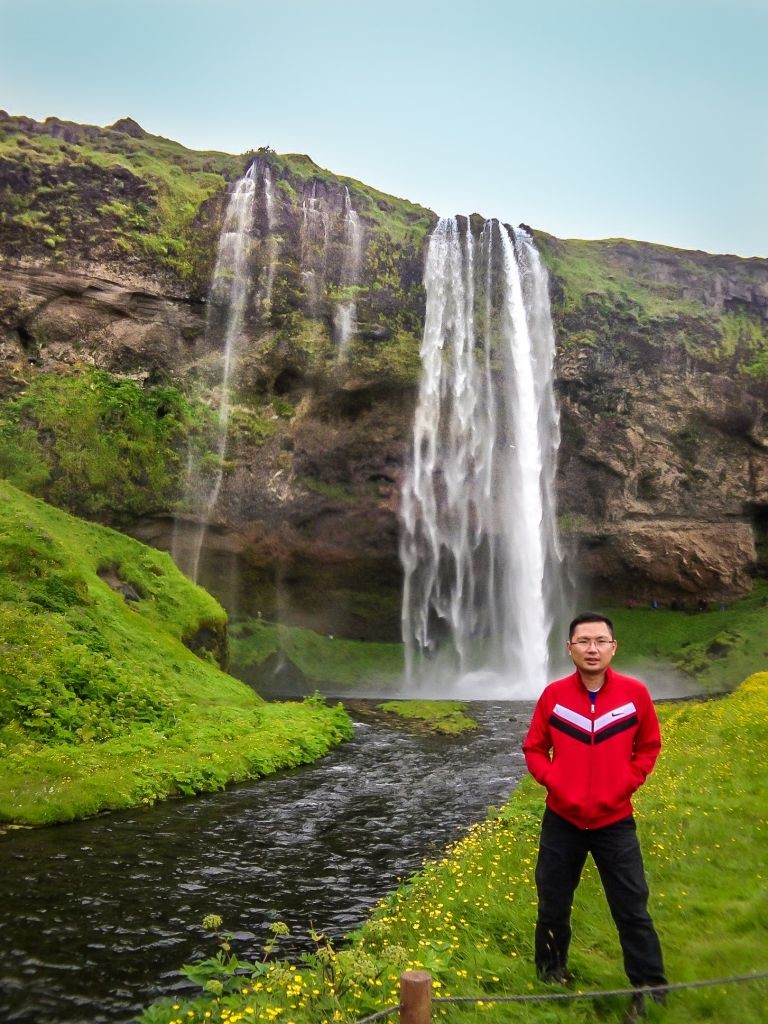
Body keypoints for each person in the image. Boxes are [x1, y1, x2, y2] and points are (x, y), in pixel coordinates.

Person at [523, 612, 667, 1016]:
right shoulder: (553, 696)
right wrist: (555, 781)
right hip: (562, 820)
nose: (592, 648)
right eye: (583, 641)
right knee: (552, 903)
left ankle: (650, 984)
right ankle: (551, 976)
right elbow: (534, 747)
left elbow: (649, 745)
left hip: (614, 820)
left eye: (600, 641)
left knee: (631, 906)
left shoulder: (635, 694)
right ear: (569, 648)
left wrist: (627, 781)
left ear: (613, 648)